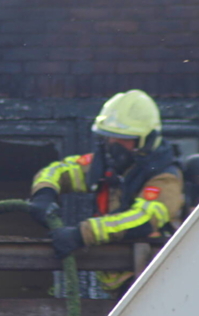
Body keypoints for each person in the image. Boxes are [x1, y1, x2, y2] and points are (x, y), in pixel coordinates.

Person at [28, 90, 185, 293]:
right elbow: (58, 170)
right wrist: (44, 194)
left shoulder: (165, 178)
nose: (112, 145)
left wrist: (81, 234)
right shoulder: (106, 164)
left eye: (121, 138)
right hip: (117, 282)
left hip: (158, 283)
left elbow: (144, 219)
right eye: (108, 137)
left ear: (145, 140)